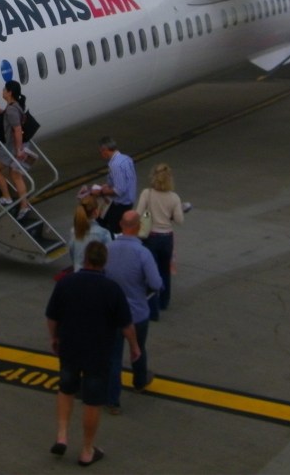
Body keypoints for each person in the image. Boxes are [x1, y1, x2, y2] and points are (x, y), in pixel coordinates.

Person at [46, 240, 140, 467]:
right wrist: (135, 347)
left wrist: (55, 338)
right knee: (92, 401)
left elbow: (51, 316)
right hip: (97, 353)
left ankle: (62, 436)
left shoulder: (66, 283)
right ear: (104, 262)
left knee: (66, 389)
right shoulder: (112, 289)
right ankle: (87, 450)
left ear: (85, 259)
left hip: (69, 347)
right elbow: (126, 325)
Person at [105, 211, 163, 413]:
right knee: (138, 348)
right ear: (138, 227)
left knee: (113, 357)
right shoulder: (143, 253)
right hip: (137, 313)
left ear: (121, 225)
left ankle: (113, 400)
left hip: (112, 314)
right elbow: (156, 283)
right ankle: (139, 381)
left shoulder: (108, 248)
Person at [135, 163, 185, 320]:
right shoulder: (174, 197)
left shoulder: (147, 193)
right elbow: (180, 220)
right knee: (165, 271)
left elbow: (138, 213)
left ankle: (152, 306)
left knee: (151, 272)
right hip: (166, 238)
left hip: (151, 237)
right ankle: (164, 301)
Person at [0, 80, 33, 219]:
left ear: (9, 93)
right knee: (16, 176)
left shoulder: (11, 110)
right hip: (20, 146)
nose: (2, 91)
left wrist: (19, 150)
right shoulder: (13, 107)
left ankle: (7, 197)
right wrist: (1, 111)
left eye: (4, 89)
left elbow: (17, 129)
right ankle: (24, 206)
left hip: (13, 147)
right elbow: (13, 119)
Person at [94, 137, 137, 236]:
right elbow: (126, 180)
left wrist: (101, 192)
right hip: (128, 201)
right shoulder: (126, 158)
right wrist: (109, 185)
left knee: (108, 228)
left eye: (101, 152)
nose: (101, 154)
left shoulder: (115, 165)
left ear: (105, 150)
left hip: (120, 204)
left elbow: (119, 190)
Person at [68, 193, 112, 272]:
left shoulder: (74, 231)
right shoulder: (103, 233)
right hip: (97, 274)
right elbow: (109, 257)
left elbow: (72, 253)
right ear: (96, 212)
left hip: (78, 273)